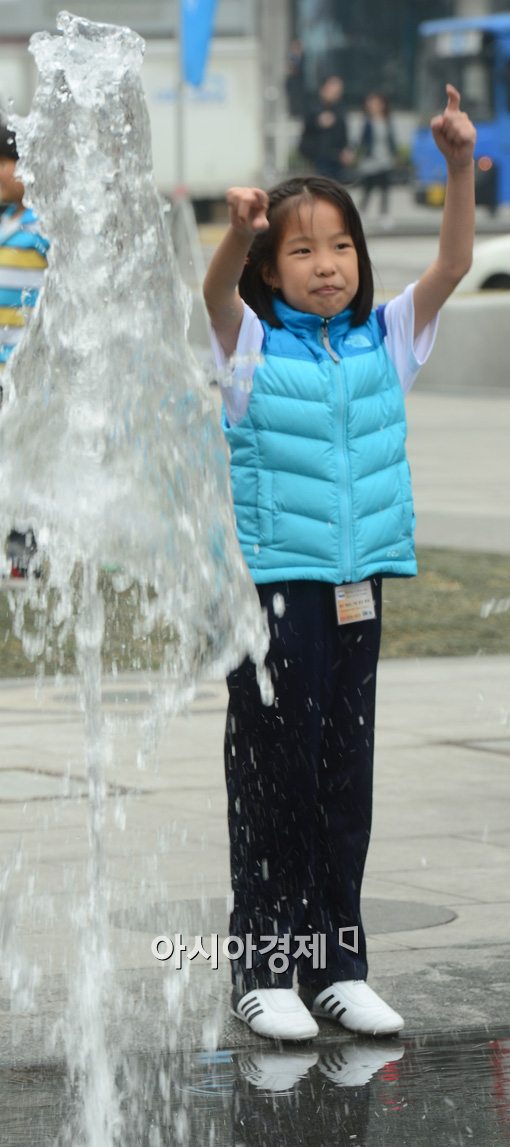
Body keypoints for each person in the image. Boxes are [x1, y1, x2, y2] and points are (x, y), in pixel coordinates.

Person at [203, 85, 475, 1042]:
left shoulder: (385, 339)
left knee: (342, 775)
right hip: (273, 594)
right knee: (272, 776)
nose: (327, 265)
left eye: (341, 246)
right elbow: (212, 297)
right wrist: (234, 236)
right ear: (271, 270)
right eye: (302, 250)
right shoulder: (248, 350)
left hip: (359, 592)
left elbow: (452, 262)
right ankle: (264, 964)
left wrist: (454, 165)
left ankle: (336, 964)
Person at [0, 120, 49, 576]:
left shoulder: (42, 225)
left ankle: (25, 554)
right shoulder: (5, 221)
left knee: (26, 458)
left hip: (26, 369)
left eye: (7, 162)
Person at [299, 74, 354, 182]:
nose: (335, 94)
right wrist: (319, 121)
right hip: (318, 156)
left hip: (336, 157)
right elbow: (308, 128)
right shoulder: (313, 107)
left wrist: (346, 150)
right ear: (323, 89)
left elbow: (343, 134)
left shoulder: (340, 109)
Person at [357, 92, 398, 223]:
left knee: (385, 188)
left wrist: (395, 153)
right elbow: (362, 141)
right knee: (368, 188)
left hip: (385, 159)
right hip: (371, 160)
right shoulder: (367, 122)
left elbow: (391, 140)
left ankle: (384, 214)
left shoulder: (387, 121)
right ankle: (362, 212)